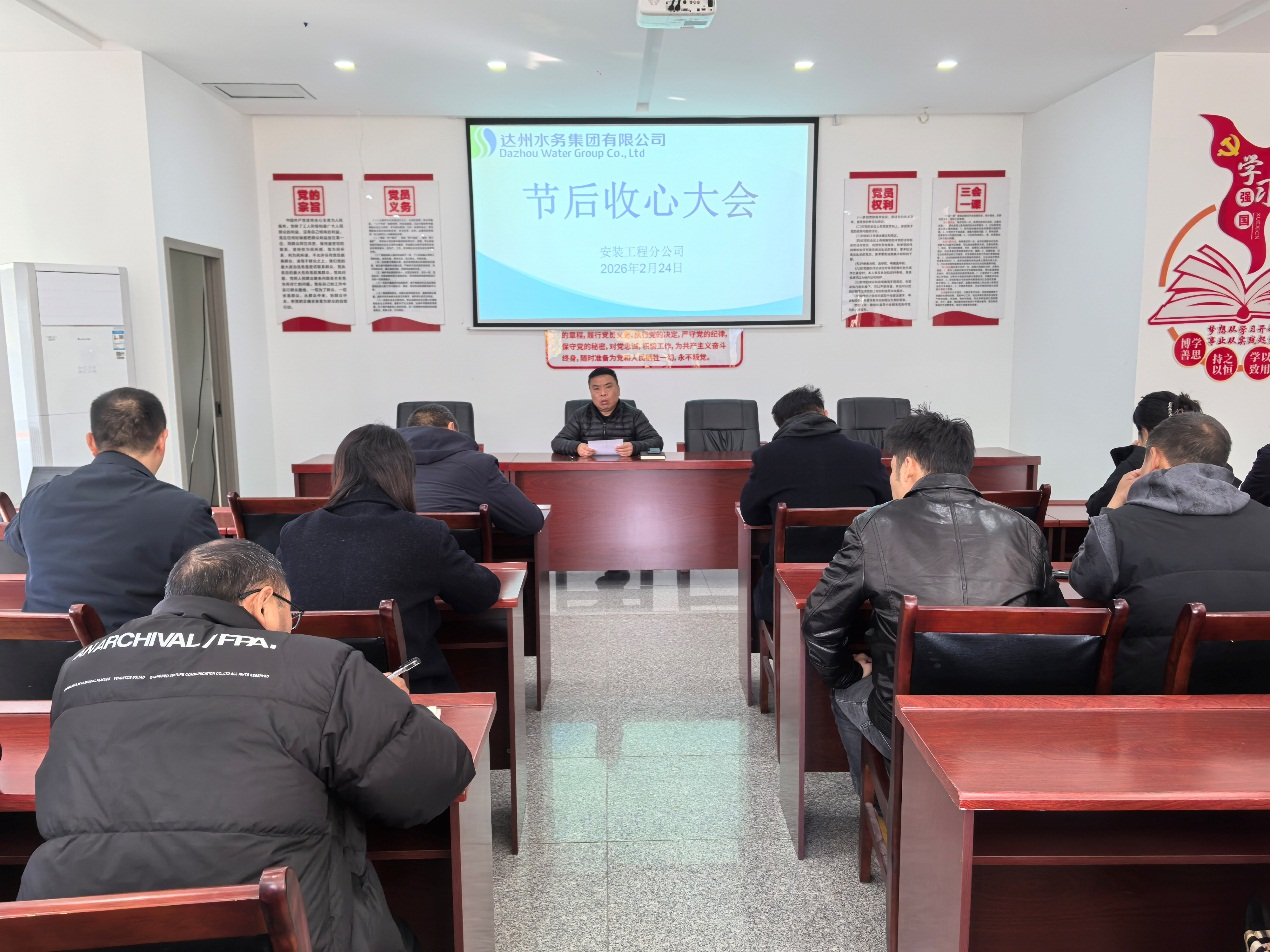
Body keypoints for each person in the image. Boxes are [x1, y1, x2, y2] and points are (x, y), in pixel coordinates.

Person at [18, 539, 474, 952]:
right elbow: (431, 778)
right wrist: (390, 704)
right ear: (262, 601)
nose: (291, 628)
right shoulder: (318, 664)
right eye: (290, 613)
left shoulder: (81, 665)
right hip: (269, 928)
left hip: (73, 927)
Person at [801, 409, 1062, 794]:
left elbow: (819, 624)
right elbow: (1056, 627)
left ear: (908, 466)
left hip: (910, 717)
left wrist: (847, 674)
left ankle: (885, 807)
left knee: (846, 695)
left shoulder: (873, 526)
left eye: (891, 468)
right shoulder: (1024, 529)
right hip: (1003, 715)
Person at [279, 424, 501, 693]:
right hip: (408, 692)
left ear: (340, 472)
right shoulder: (424, 534)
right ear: (404, 473)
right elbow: (480, 595)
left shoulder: (295, 531)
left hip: (315, 692)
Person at [1070, 412, 1270, 693]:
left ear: (1154, 457)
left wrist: (1114, 505)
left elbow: (1086, 581)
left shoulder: (1119, 526)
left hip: (1147, 698)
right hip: (1256, 701)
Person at [4, 387, 219, 628]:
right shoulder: (185, 510)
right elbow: (219, 587)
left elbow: (15, 542)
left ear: (91, 442)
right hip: (135, 649)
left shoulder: (38, 499)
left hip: (39, 650)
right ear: (162, 441)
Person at [740, 385, 891, 624]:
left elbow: (751, 515)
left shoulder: (769, 457)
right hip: (858, 588)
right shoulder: (867, 454)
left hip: (787, 589)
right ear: (825, 414)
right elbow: (885, 510)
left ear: (781, 425)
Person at [399, 403, 544, 537]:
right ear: (451, 427)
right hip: (457, 554)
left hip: (394, 553)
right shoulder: (479, 464)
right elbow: (530, 522)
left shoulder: (387, 464)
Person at [1085, 390, 1201, 515]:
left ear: (1145, 432)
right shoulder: (1205, 461)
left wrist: (1137, 456)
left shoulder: (1139, 464)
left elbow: (1096, 508)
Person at [551, 367, 663, 458]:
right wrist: (577, 447)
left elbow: (657, 442)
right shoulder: (580, 415)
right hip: (588, 471)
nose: (603, 393)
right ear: (590, 392)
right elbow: (557, 442)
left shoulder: (634, 415)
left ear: (618, 390)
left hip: (625, 472)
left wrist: (635, 447)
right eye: (596, 389)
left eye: (608, 387)